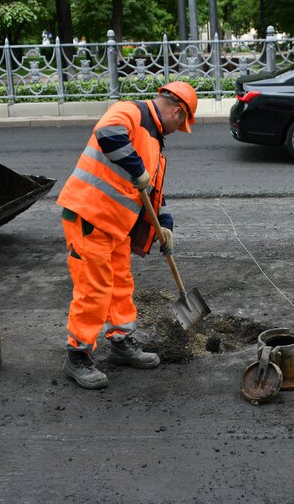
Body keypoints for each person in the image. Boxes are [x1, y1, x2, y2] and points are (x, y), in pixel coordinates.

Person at [57, 81, 198, 389]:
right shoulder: (129, 112)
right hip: (89, 216)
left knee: (120, 284)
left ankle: (121, 341)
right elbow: (107, 133)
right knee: (93, 289)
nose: (178, 129)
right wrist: (136, 167)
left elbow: (152, 192)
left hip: (117, 225)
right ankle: (77, 355)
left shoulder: (156, 145)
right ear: (176, 111)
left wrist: (165, 223)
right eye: (181, 123)